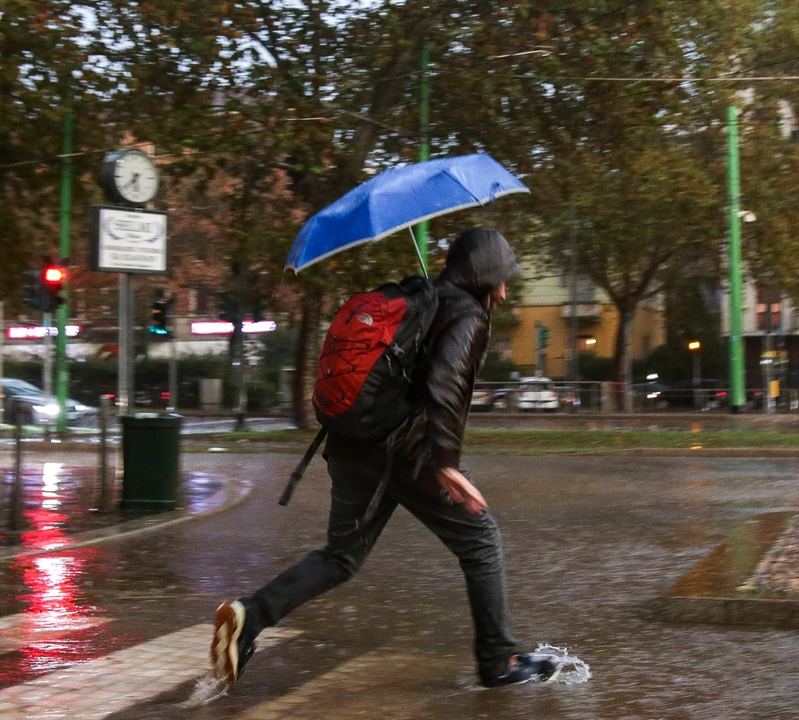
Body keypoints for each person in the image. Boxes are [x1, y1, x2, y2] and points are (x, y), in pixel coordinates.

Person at [210, 228, 557, 689]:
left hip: (352, 442)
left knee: (341, 557)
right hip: (408, 451)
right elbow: (447, 382)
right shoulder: (467, 312)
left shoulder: (417, 295)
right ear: (484, 276)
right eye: (502, 277)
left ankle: (249, 616)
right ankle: (498, 660)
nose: (506, 289)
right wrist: (446, 460)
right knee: (480, 542)